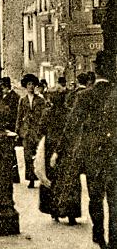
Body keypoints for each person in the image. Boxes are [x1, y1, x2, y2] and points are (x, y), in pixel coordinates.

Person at [51, 51, 117, 249]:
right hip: (114, 155)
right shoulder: (115, 94)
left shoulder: (84, 96)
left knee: (95, 197)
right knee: (114, 200)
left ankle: (99, 236)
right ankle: (115, 245)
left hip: (92, 156)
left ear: (96, 71)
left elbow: (71, 127)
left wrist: (57, 151)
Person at [37, 80, 82, 224]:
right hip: (68, 148)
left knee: (52, 179)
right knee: (70, 179)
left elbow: (41, 129)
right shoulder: (70, 113)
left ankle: (54, 211)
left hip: (51, 147)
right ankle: (71, 213)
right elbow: (75, 130)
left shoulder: (47, 113)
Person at [15, 73, 46, 187]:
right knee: (27, 156)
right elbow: (19, 116)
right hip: (26, 131)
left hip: (37, 131)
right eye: (29, 84)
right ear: (25, 86)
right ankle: (31, 179)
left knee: (38, 155)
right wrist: (17, 131)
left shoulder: (40, 100)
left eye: (33, 84)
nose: (31, 86)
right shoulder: (22, 100)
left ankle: (40, 177)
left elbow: (43, 115)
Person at [0, 76, 21, 183]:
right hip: (5, 127)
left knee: (10, 152)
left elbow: (15, 114)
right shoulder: (6, 97)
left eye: (3, 87)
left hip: (10, 127)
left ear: (6, 87)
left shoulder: (14, 97)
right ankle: (11, 175)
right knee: (7, 151)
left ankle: (14, 176)